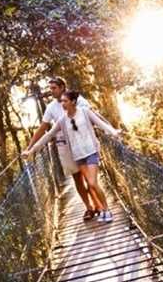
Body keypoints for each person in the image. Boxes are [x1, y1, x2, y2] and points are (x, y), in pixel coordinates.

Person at [23, 90, 121, 222]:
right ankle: (103, 211)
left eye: (65, 101)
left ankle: (106, 210)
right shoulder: (62, 120)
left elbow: (100, 123)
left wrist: (113, 132)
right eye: (61, 101)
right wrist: (31, 150)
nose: (62, 103)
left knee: (92, 183)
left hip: (91, 151)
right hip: (78, 156)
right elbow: (49, 135)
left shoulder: (85, 112)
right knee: (91, 184)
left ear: (73, 102)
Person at [26, 77, 100, 220]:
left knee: (88, 177)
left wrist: (109, 129)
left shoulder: (78, 100)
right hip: (64, 147)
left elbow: (92, 116)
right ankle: (89, 208)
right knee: (77, 178)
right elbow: (43, 129)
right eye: (50, 88)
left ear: (62, 87)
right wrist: (29, 148)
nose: (51, 91)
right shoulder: (51, 107)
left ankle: (98, 205)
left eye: (54, 88)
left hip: (81, 144)